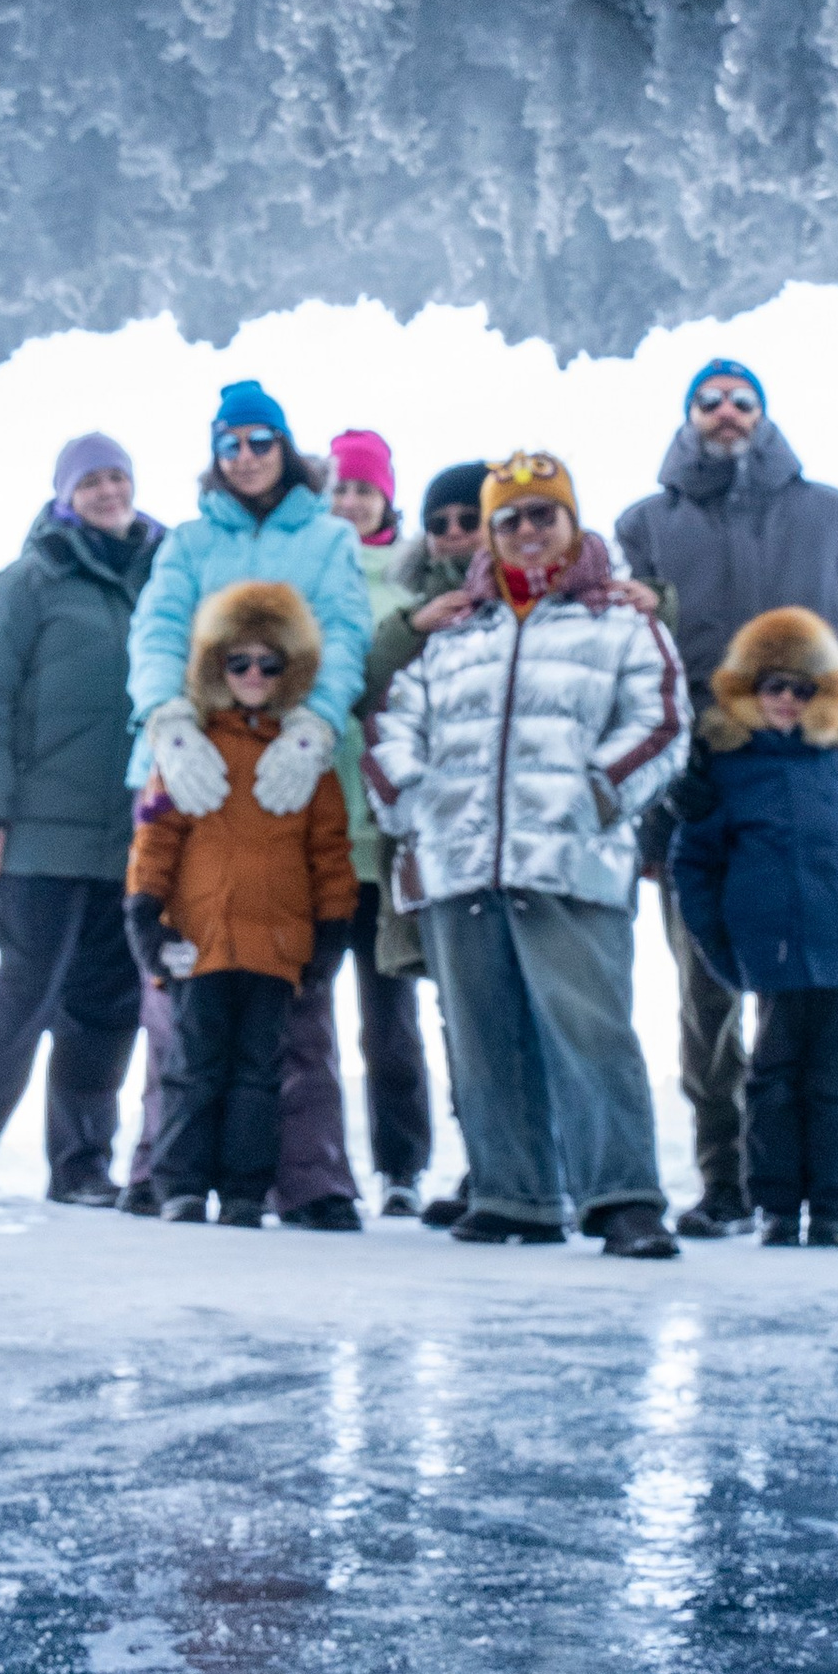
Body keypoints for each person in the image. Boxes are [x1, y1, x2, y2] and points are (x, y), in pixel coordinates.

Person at [617, 357, 838, 1236]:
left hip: (823, 789)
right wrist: (662, 762)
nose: (726, 414)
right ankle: (727, 1176)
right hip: (701, 796)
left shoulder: (832, 517)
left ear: (764, 416)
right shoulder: (647, 526)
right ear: (688, 418)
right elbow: (630, 648)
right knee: (709, 990)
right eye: (709, 403)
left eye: (742, 402)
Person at [365, 453, 689, 1259]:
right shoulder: (456, 631)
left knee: (590, 1031)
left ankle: (623, 1197)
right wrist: (410, 796)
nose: (528, 531)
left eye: (545, 514)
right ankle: (517, 1194)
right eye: (511, 519)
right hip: (459, 861)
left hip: (570, 860)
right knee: (483, 1035)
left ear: (572, 523)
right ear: (493, 534)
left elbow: (661, 721)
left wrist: (598, 792)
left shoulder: (619, 622)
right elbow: (394, 719)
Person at [120, 383, 375, 1225]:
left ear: (285, 447)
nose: (246, 456)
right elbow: (157, 630)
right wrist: (167, 720)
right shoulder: (190, 541)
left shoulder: (329, 537)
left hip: (291, 780)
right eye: (231, 443)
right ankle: (164, 1170)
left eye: (261, 441)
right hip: (189, 772)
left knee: (290, 995)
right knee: (179, 993)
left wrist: (315, 724)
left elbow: (344, 632)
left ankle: (308, 1176)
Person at [0, 433, 160, 1210]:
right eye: (90, 482)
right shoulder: (27, 582)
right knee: (21, 999)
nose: (107, 492)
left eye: (117, 477)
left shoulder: (165, 576)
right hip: (39, 838)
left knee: (108, 1010)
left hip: (135, 834)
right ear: (64, 495)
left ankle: (81, 1166)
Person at [667, 610, 838, 1246]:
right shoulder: (728, 771)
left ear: (823, 694)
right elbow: (695, 863)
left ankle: (831, 1210)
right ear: (748, 690)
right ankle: (775, 1205)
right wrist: (724, 945)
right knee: (773, 1080)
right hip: (772, 956)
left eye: (803, 688)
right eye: (774, 686)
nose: (788, 700)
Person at [124, 583, 358, 1225]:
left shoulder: (311, 765)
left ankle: (247, 1191)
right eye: (240, 663)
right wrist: (144, 914)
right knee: (192, 1069)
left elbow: (329, 856)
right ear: (215, 666)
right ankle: (180, 1186)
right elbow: (155, 840)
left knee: (260, 1074)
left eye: (270, 664)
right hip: (198, 942)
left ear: (293, 670)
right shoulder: (190, 752)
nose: (254, 676)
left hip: (277, 948)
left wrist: (331, 933)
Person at [283, 428, 440, 1216]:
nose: (349, 503)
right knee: (306, 1009)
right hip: (313, 831)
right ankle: (315, 1167)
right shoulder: (305, 576)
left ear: (386, 500)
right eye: (339, 489)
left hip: (386, 834)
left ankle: (402, 1167)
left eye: (364, 491)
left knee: (391, 1014)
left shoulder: (411, 588)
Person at [359, 459, 488, 1225]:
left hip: (518, 832)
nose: (451, 536)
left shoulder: (530, 595)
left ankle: (548, 1166)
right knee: (460, 1015)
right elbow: (374, 684)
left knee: (531, 1013)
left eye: (466, 520)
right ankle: (491, 1163)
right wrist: (414, 626)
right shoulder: (411, 604)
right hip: (436, 835)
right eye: (438, 524)